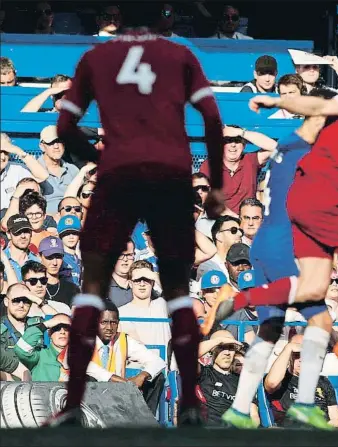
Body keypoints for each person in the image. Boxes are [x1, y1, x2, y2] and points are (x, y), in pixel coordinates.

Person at [50, 26, 225, 426]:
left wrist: (98, 155)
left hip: (120, 175)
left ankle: (73, 404)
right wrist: (215, 185)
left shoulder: (97, 57)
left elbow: (63, 128)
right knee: (178, 291)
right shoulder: (180, 55)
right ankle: (191, 406)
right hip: (169, 176)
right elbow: (213, 118)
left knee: (93, 289)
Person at [205, 86, 338, 374]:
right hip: (319, 199)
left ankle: (239, 299)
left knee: (312, 288)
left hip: (314, 202)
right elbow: (320, 106)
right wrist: (276, 100)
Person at [215, 89, 338, 430]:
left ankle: (240, 408)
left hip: (263, 243)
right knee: (320, 321)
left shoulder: (288, 144)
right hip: (280, 245)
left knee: (271, 330)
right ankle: (305, 402)